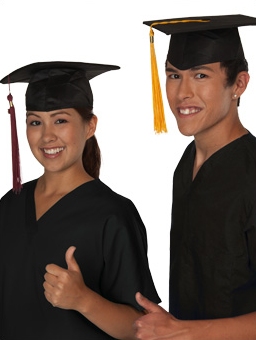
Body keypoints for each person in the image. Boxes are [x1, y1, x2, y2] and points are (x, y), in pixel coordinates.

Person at [0, 61, 161, 340]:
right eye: (35, 122)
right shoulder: (9, 205)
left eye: (61, 120)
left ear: (90, 126)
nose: (47, 136)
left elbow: (143, 327)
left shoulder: (114, 214)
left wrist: (83, 300)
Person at [133, 14, 256, 339]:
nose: (182, 92)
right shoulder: (186, 164)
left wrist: (182, 330)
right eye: (174, 75)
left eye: (200, 75)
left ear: (239, 84)